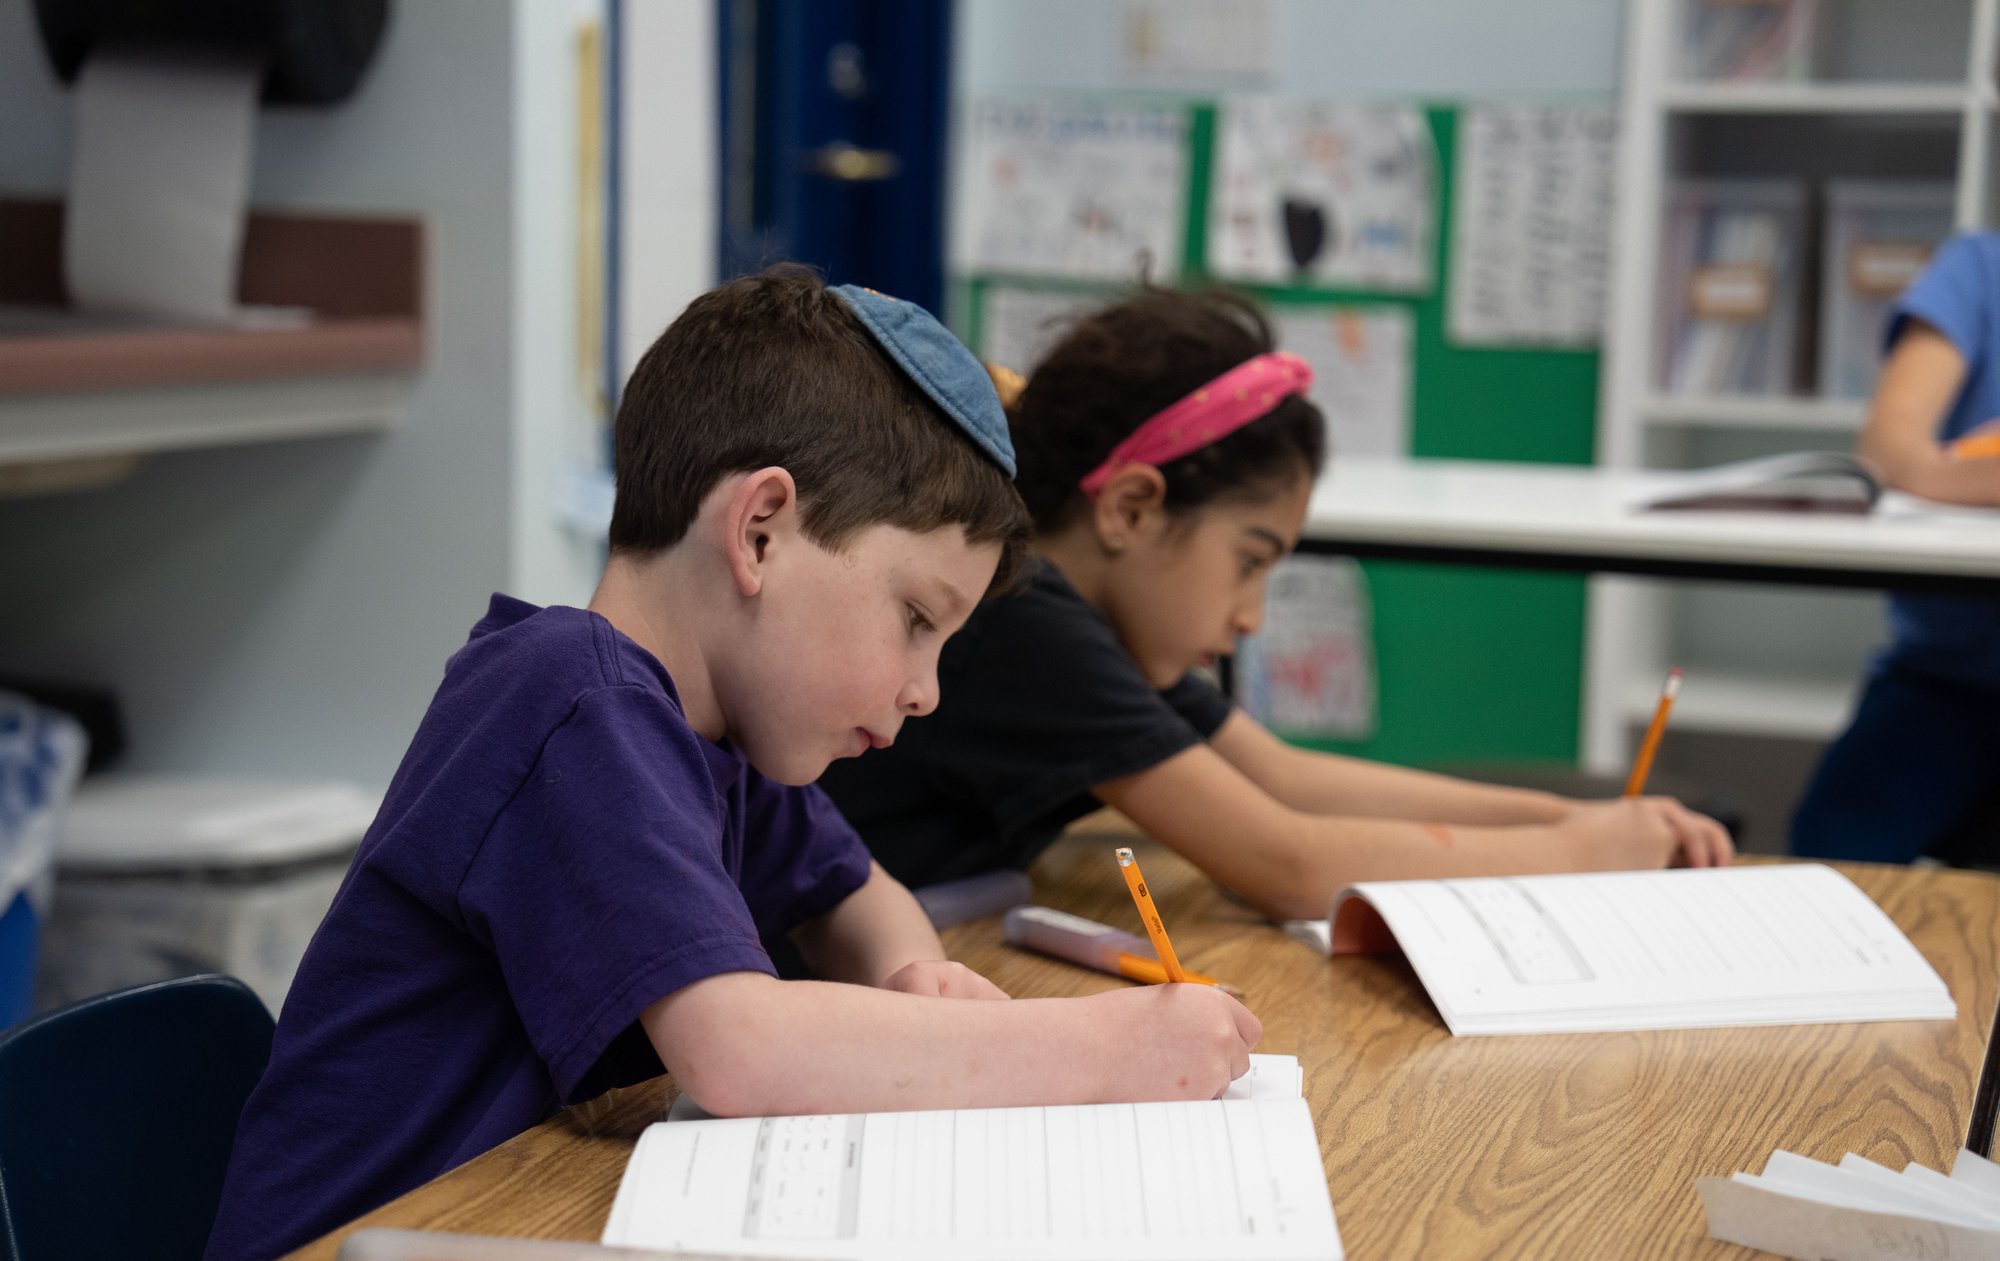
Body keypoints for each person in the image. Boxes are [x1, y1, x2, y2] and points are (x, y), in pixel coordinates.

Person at [202, 270, 1261, 1261]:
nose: (925, 688)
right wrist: (1101, 1049)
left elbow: (858, 889)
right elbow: (737, 1047)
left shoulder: (713, 740)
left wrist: (907, 975)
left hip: (507, 1216)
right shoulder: (571, 700)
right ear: (758, 530)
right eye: (913, 620)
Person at [819, 288, 1733, 922]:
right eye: (1249, 560)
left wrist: (1570, 820)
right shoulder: (1024, 618)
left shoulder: (1084, 614)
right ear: (1133, 507)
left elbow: (1287, 777)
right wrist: (1581, 856)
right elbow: (1287, 863)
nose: (1252, 614)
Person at [1791, 233, 2000, 865]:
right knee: (1831, 857)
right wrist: (1954, 477)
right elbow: (1889, 451)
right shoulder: (1978, 267)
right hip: (1946, 680)